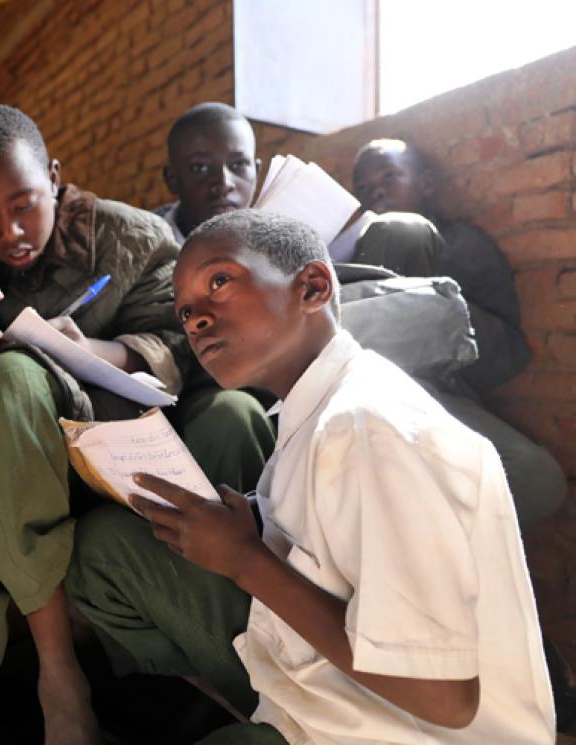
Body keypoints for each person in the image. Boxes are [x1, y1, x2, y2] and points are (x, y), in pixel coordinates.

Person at [67, 209, 556, 744]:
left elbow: (444, 696)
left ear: (314, 286)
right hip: (327, 684)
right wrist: (250, 518)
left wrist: (245, 559)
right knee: (108, 548)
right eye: (184, 310)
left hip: (406, 729)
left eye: (220, 282)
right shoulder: (314, 408)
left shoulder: (370, 429)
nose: (196, 319)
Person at [0, 104, 274, 745]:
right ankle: (39, 680)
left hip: (126, 437)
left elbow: (179, 344)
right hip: (24, 452)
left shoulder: (131, 236)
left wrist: (89, 348)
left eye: (24, 204)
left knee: (4, 404)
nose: (9, 231)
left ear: (56, 176)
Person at [349, 137, 565, 528]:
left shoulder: (464, 247)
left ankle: (416, 536)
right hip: (364, 394)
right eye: (362, 188)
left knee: (538, 479)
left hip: (442, 391)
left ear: (426, 183)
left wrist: (433, 304)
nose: (375, 191)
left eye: (389, 176)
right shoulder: (356, 251)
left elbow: (508, 354)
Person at [154, 102, 259, 243]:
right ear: (172, 179)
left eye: (239, 164)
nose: (223, 184)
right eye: (200, 167)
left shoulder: (282, 252)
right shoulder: (135, 251)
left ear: (257, 172)